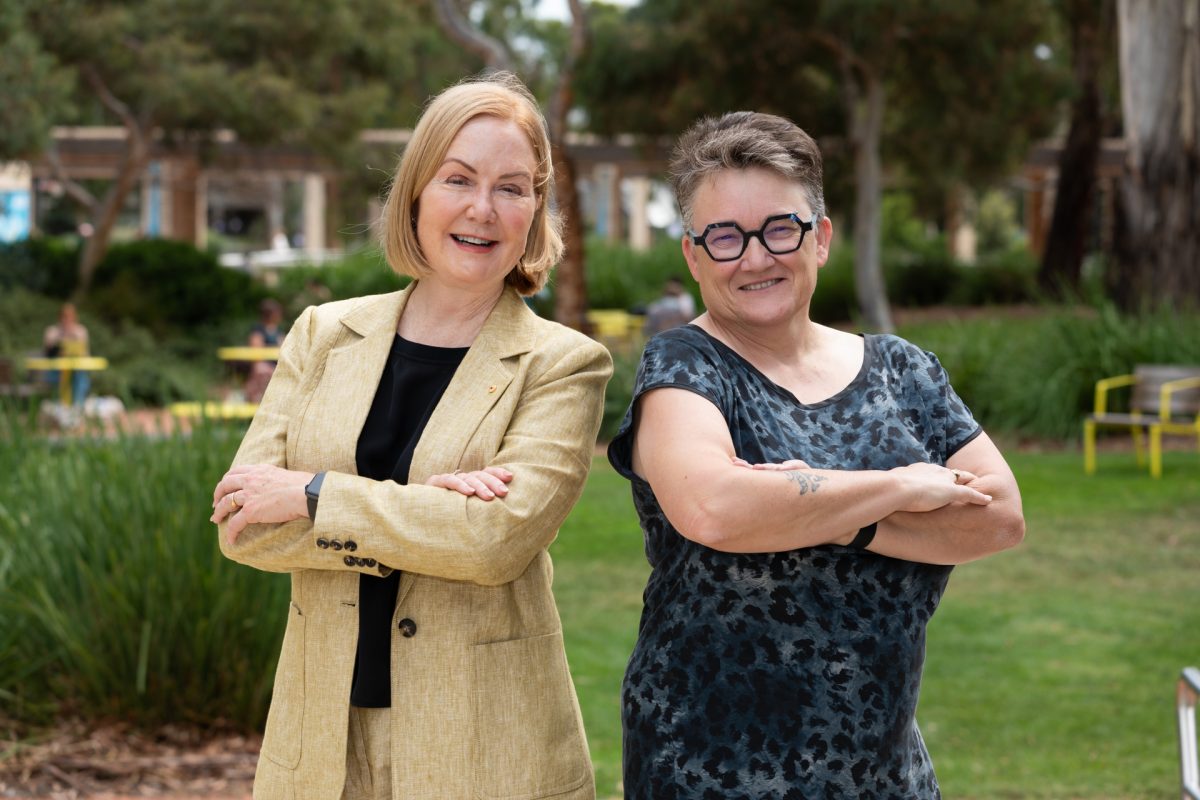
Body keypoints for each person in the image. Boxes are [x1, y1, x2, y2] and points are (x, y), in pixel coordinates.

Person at [209, 73, 612, 800]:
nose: (483, 209)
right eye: (458, 179)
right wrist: (432, 509)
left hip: (489, 748)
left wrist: (311, 495)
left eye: (512, 187)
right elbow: (244, 525)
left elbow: (495, 543)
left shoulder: (565, 364)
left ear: (535, 208)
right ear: (417, 193)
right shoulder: (322, 335)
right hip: (320, 746)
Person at [607, 112, 1025, 798]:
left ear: (821, 237)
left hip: (883, 771)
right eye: (723, 236)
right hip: (710, 770)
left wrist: (822, 510)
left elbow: (1000, 517)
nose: (754, 256)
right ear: (692, 255)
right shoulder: (685, 365)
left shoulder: (903, 371)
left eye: (779, 228)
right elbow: (713, 507)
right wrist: (900, 486)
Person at [42, 302, 90, 406]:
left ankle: (77, 406)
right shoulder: (52, 331)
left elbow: (85, 354)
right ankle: (62, 406)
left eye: (70, 317)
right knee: (67, 378)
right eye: (64, 316)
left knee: (79, 376)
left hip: (76, 369)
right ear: (59, 317)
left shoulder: (80, 331)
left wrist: (73, 336)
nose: (67, 320)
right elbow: (48, 351)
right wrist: (61, 337)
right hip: (55, 370)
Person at [243, 298, 285, 403]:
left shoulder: (278, 331)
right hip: (263, 366)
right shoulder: (258, 330)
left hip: (276, 365)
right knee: (261, 370)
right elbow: (257, 352)